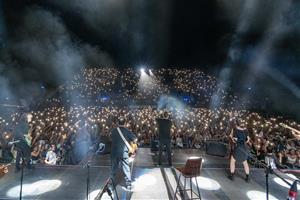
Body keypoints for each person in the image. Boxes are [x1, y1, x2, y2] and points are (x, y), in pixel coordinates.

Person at [110, 117, 137, 191]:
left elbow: (110, 138)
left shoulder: (114, 131)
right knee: (126, 168)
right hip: (123, 153)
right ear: (125, 123)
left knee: (113, 169)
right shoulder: (127, 131)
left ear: (118, 123)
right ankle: (128, 185)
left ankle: (111, 186)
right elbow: (135, 139)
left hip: (114, 152)